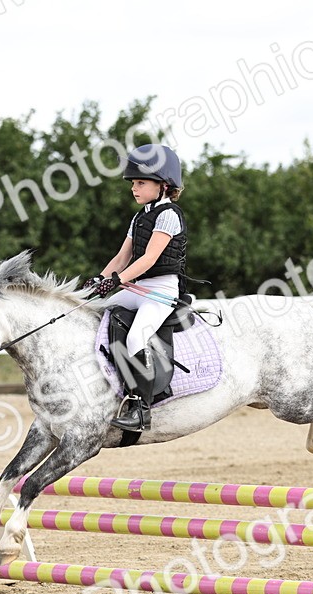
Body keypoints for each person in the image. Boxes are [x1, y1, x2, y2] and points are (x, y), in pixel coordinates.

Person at [84, 144, 187, 433]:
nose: (134, 188)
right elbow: (121, 257)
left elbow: (150, 258)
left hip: (162, 291)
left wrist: (117, 280)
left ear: (163, 185)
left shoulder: (169, 214)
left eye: (141, 182)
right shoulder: (140, 216)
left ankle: (141, 409)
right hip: (138, 287)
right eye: (133, 183)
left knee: (135, 338)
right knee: (95, 312)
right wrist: (98, 279)